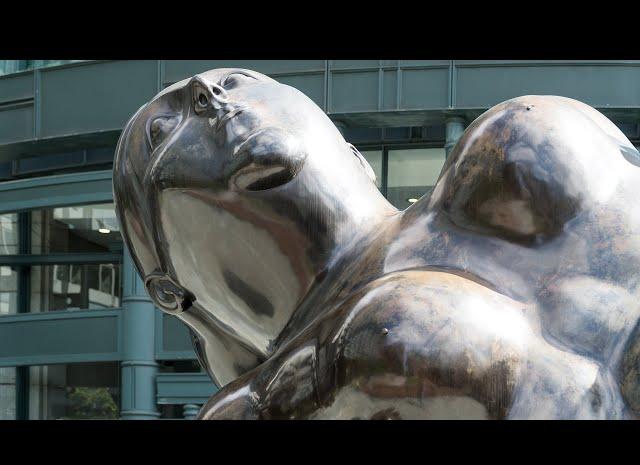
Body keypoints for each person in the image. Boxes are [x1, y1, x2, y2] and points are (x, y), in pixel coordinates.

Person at [114, 68, 640, 419]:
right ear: (171, 291)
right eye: (162, 131)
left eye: (236, 80)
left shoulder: (498, 148)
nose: (210, 95)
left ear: (353, 155)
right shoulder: (260, 406)